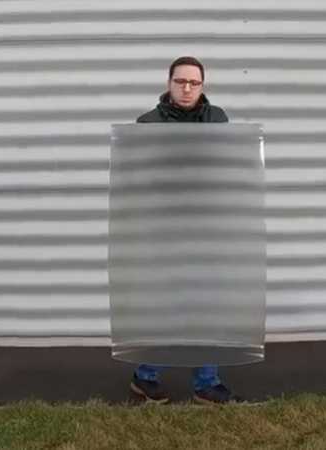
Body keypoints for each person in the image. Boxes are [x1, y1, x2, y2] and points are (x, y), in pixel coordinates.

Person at [129, 56, 243, 405]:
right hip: (164, 229)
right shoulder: (147, 124)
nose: (187, 88)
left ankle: (206, 382)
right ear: (169, 83)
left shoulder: (217, 119)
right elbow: (141, 176)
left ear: (202, 86)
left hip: (207, 226)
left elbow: (225, 167)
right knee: (166, 307)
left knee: (207, 305)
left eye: (194, 82)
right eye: (180, 81)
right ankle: (145, 376)